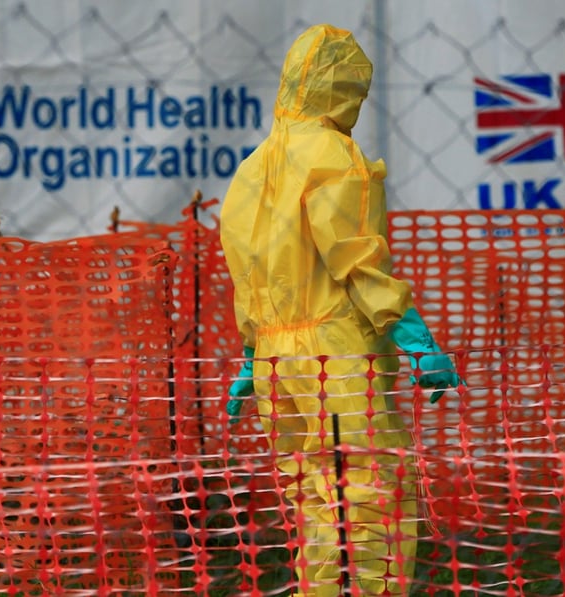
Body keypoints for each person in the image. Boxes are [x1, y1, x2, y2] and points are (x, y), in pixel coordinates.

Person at [219, 24, 460, 596]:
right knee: (369, 496)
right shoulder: (332, 154)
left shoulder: (252, 169)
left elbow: (252, 274)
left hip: (278, 364)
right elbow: (354, 259)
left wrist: (253, 357)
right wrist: (413, 335)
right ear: (346, 89)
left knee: (311, 503)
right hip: (336, 355)